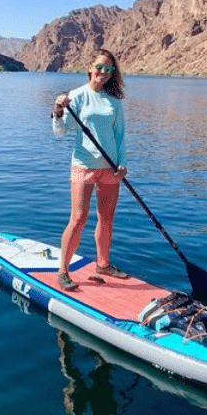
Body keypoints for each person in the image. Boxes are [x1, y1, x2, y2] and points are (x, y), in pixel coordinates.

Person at [51, 49, 128, 291]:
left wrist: (122, 163)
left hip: (110, 168)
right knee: (78, 218)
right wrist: (57, 110)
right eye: (100, 67)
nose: (103, 73)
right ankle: (63, 271)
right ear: (90, 68)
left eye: (109, 70)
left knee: (107, 218)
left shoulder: (114, 102)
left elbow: (119, 135)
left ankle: (103, 265)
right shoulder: (76, 96)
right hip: (84, 166)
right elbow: (60, 131)